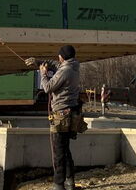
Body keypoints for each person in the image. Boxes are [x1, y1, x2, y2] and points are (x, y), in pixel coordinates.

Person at [38, 45, 82, 190]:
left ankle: (58, 184)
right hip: (72, 113)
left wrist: (43, 74)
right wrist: (39, 61)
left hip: (61, 115)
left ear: (63, 56)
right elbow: (57, 64)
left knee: (58, 151)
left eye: (59, 56)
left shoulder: (65, 71)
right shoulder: (74, 67)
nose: (58, 59)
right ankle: (70, 181)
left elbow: (47, 87)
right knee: (65, 148)